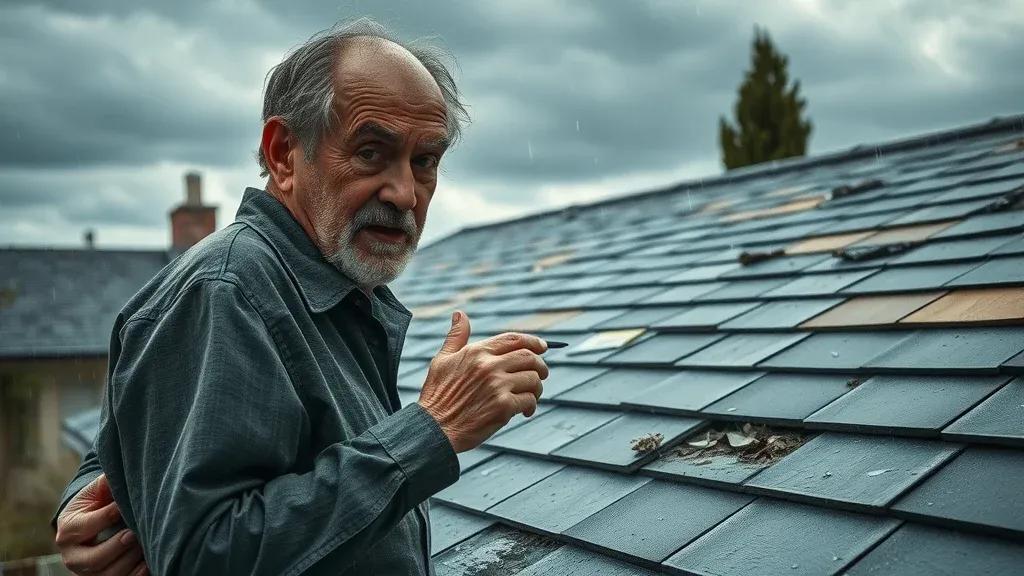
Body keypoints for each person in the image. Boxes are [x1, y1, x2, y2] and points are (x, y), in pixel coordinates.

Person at [51, 17, 549, 576]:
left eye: (425, 161)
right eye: (370, 152)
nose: (405, 192)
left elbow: (152, 426)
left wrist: (92, 490)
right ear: (284, 153)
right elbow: (207, 559)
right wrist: (432, 430)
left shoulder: (325, 284)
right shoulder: (226, 292)